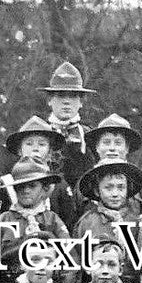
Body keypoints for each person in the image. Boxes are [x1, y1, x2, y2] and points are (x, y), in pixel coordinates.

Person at [0, 158, 73, 283]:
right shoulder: (4, 220)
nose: (25, 191)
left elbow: (70, 260)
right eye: (20, 186)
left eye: (32, 186)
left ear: (44, 189)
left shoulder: (52, 220)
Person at [0, 115, 78, 228]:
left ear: (50, 150)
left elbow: (70, 225)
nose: (35, 148)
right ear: (19, 149)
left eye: (42, 144)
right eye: (29, 144)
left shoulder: (59, 185)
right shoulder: (6, 184)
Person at [41, 61, 95, 196]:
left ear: (81, 102)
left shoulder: (90, 136)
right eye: (60, 95)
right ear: (49, 100)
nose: (66, 101)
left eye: (72, 96)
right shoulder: (38, 134)